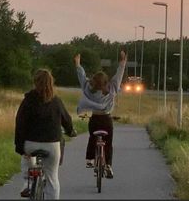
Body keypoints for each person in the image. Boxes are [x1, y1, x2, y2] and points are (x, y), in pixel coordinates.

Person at [15, 68, 77, 200]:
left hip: (30, 144)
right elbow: (67, 120)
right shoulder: (56, 101)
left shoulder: (28, 100)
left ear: (35, 82)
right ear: (51, 82)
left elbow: (19, 123)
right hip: (52, 145)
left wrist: (20, 147)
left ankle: (27, 182)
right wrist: (71, 131)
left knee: (27, 161)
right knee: (52, 178)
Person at [74, 50, 127, 178]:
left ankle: (90, 160)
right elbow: (119, 75)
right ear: (106, 82)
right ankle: (108, 165)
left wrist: (77, 64)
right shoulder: (112, 89)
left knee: (92, 138)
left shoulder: (87, 89)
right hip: (106, 120)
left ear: (93, 81)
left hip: (95, 119)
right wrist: (122, 62)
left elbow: (82, 77)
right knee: (108, 143)